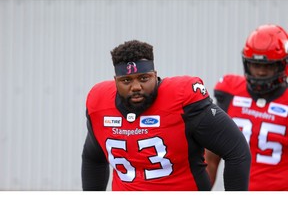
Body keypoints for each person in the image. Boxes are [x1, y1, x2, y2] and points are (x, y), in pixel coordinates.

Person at [81, 40, 251, 191]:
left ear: (155, 75)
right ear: (115, 81)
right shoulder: (100, 103)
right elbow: (93, 157)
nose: (136, 86)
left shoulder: (182, 100)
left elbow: (236, 149)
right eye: (126, 80)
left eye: (143, 78)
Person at [205, 24, 288, 191]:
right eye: (256, 65)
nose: (261, 73)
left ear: (282, 65)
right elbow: (211, 159)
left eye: (268, 66)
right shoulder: (230, 92)